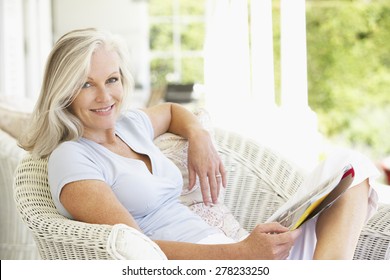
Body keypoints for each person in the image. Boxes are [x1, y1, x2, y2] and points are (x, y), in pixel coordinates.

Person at [19, 28, 380, 260]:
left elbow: (174, 111)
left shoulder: (130, 125)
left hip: (231, 248)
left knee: (351, 165)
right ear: (63, 89)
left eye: (111, 79)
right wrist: (241, 253)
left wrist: (199, 136)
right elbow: (136, 253)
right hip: (210, 262)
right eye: (86, 84)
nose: (104, 96)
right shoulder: (72, 158)